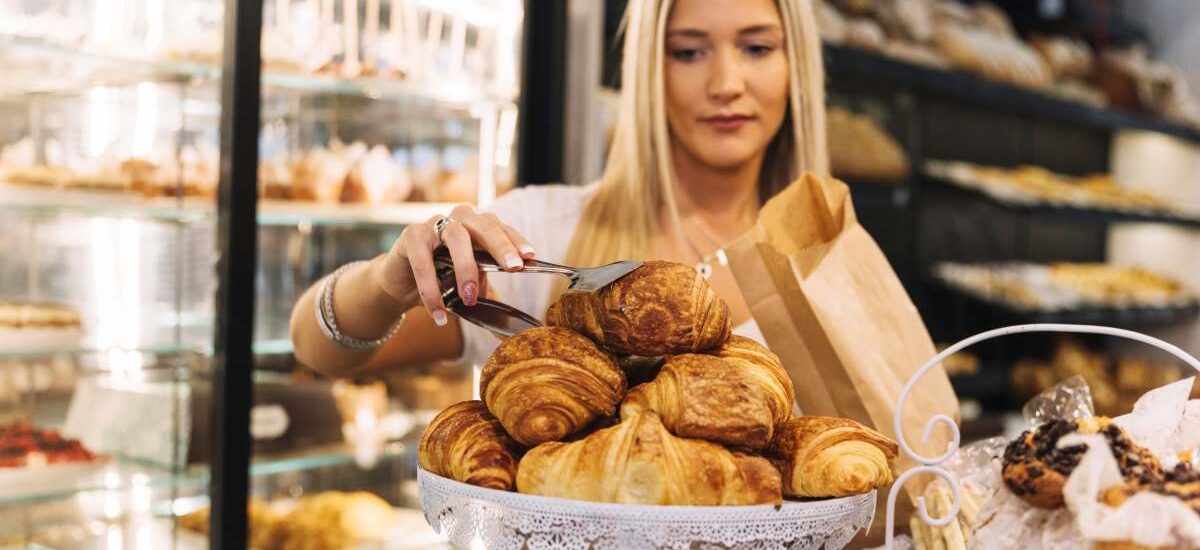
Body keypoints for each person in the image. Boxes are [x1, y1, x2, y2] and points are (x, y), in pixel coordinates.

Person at [290, 0, 827, 376]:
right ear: (647, 70)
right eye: (688, 52)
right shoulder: (538, 233)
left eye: (757, 48)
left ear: (794, 64)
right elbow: (316, 351)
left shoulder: (832, 261)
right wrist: (384, 286)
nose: (727, 83)